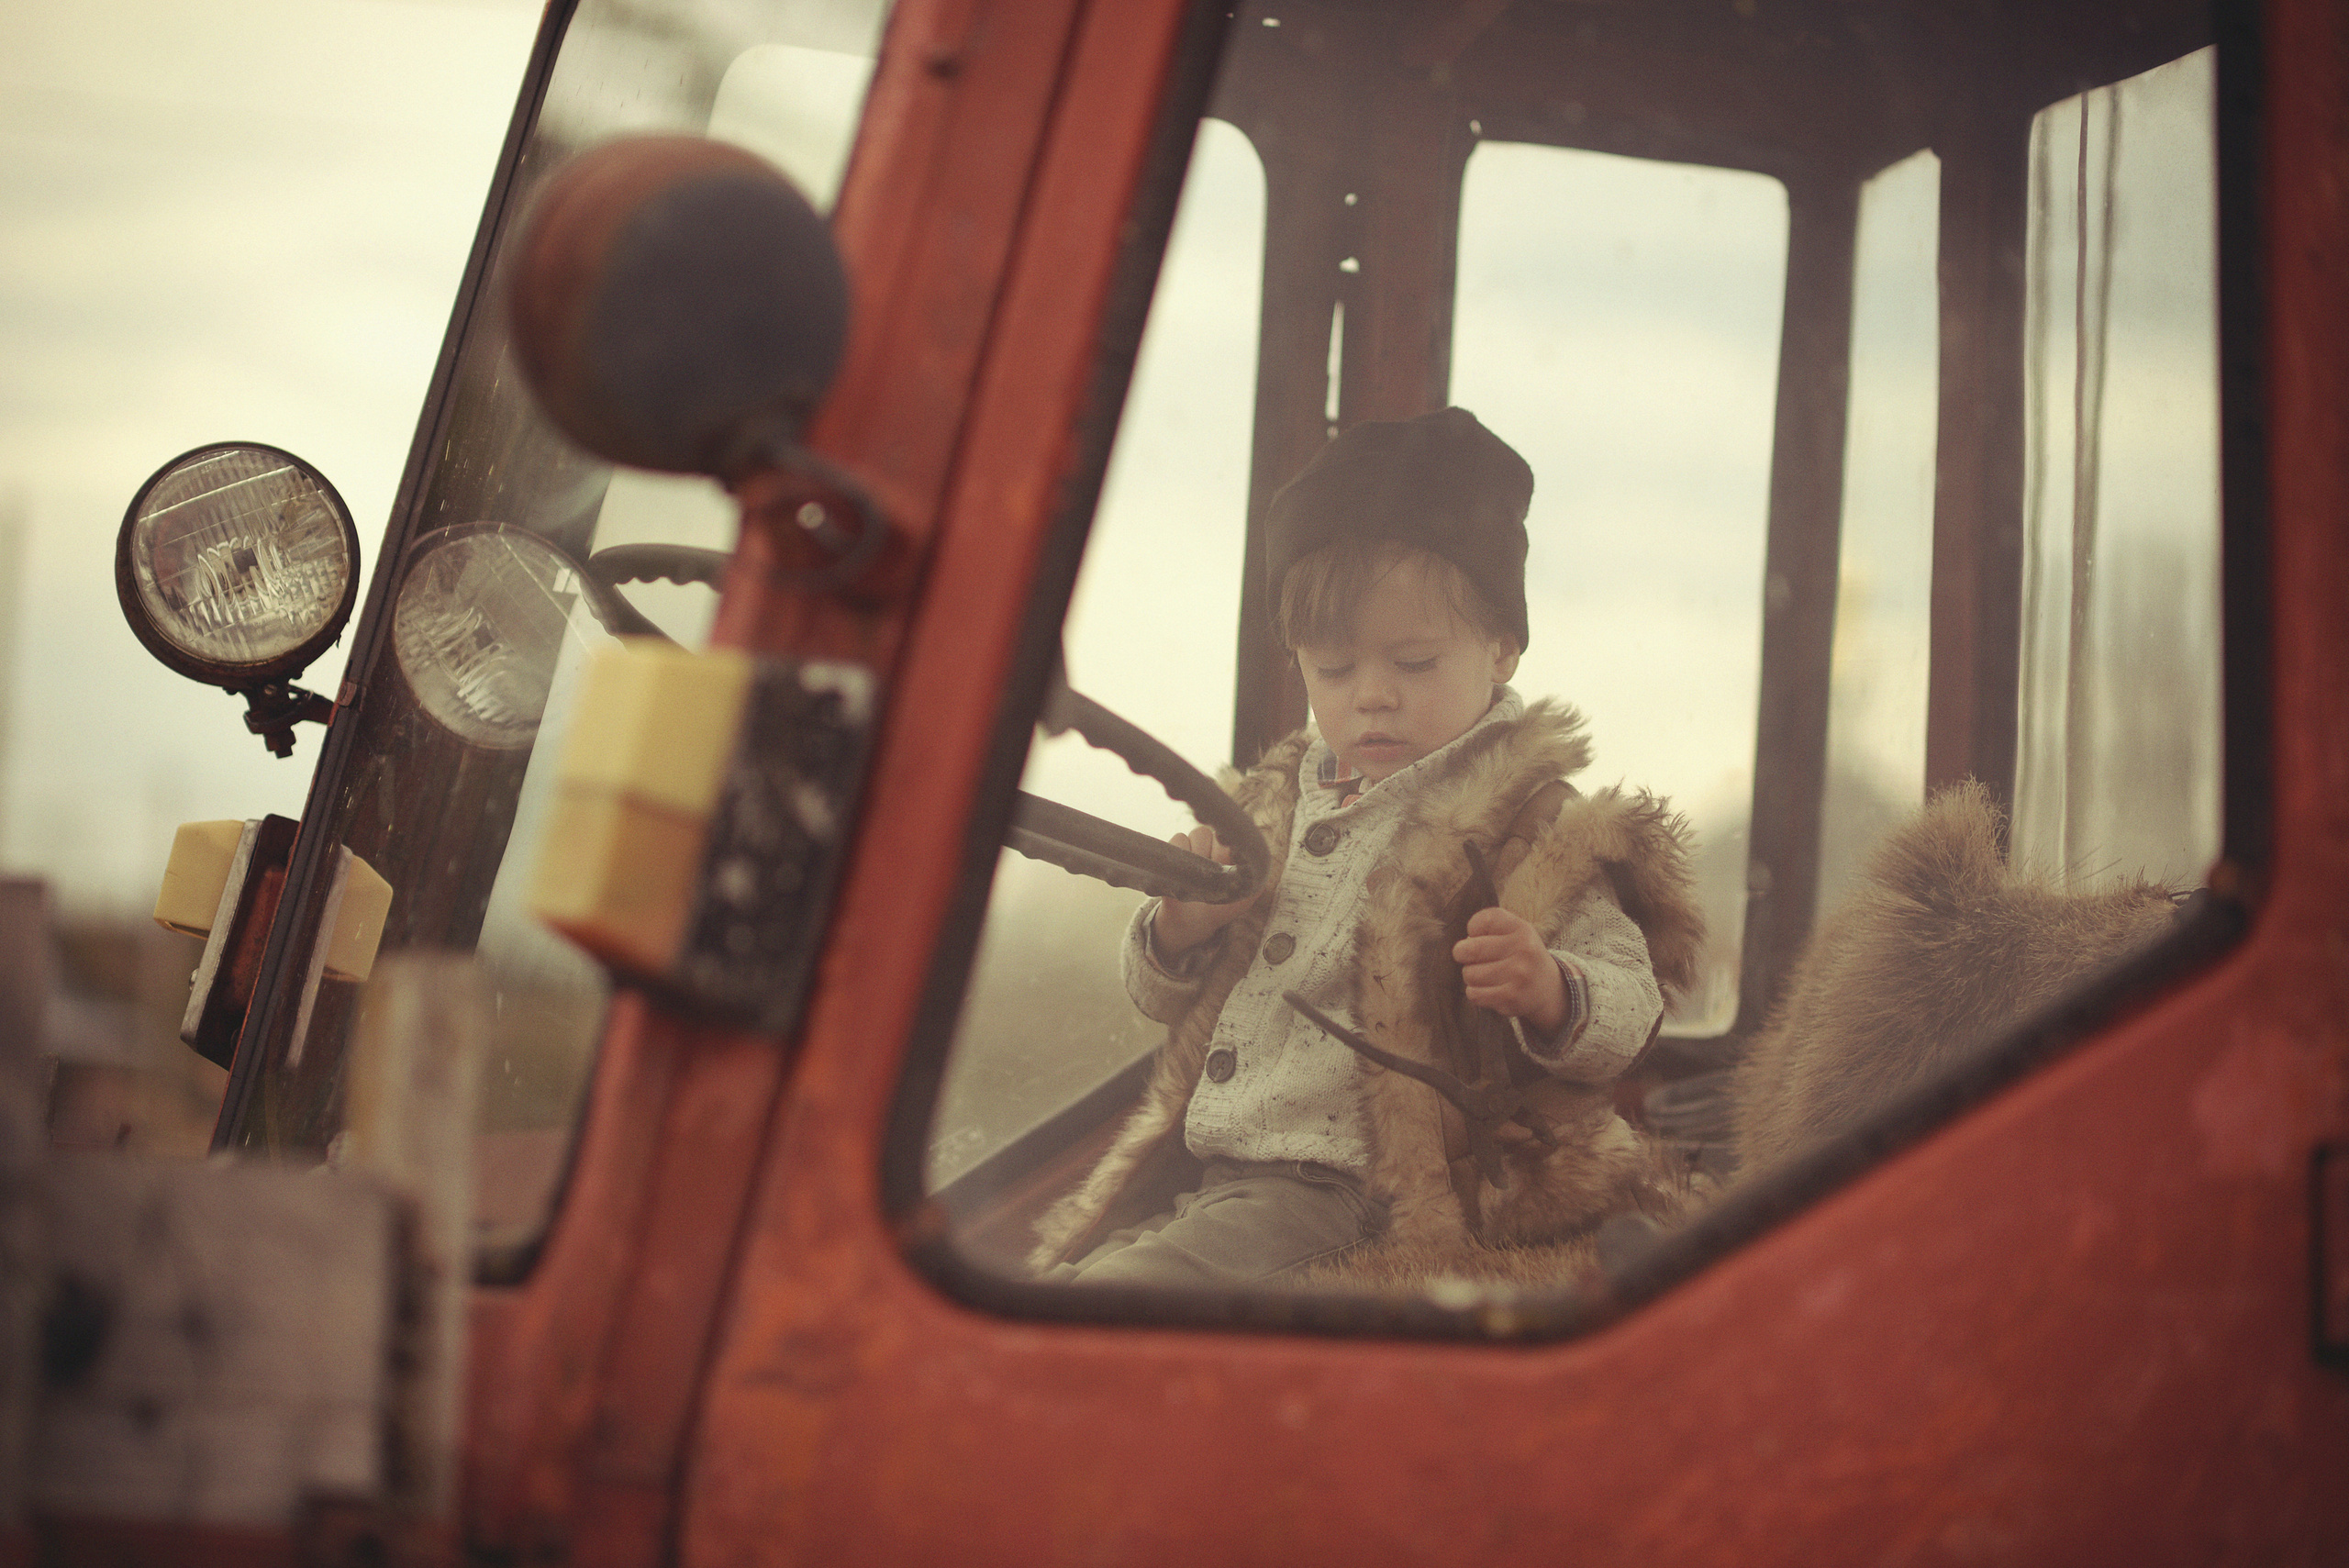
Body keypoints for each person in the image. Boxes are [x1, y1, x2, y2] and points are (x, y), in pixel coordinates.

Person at [1031, 407, 1705, 1289]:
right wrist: (1179, 929)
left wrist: (1548, 989)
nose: (1373, 697)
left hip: (1350, 1189)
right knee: (1049, 1290)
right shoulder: (1271, 806)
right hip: (1223, 1179)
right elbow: (1156, 998)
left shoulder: (1526, 825)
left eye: (1415, 664)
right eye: (1335, 670)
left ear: (1500, 647)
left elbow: (1628, 1006)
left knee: (1109, 1307)